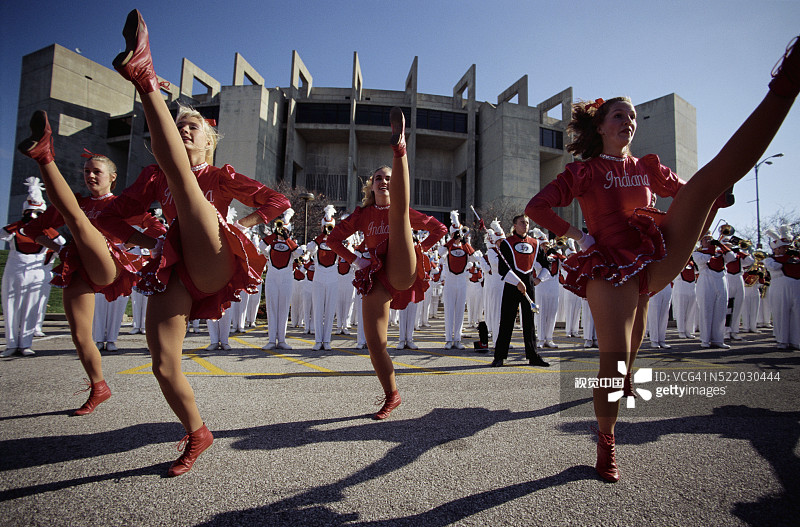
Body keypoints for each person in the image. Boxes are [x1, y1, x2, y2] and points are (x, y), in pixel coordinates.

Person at [525, 35, 799, 482]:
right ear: (600, 126)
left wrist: (714, 197)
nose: (629, 121)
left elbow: (685, 190)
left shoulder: (647, 166)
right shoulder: (584, 171)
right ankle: (606, 438)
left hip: (652, 256)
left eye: (632, 116)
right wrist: (579, 236)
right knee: (615, 362)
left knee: (708, 182)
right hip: (608, 266)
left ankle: (787, 80)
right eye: (620, 115)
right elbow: (536, 209)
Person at [98, 9, 290, 476]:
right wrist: (151, 234)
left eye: (193, 128)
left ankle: (144, 78)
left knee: (183, 184)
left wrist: (243, 220)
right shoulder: (151, 176)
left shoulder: (219, 174)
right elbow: (114, 215)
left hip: (216, 258)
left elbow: (279, 200)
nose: (186, 131)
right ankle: (197, 431)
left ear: (211, 142)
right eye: (179, 126)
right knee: (163, 364)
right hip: (175, 266)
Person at [17, 122, 165, 407]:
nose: (90, 176)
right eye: (86, 172)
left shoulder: (121, 205)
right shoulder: (79, 202)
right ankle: (98, 386)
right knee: (80, 335)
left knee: (76, 218)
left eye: (97, 171)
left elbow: (156, 229)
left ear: (113, 177)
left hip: (108, 266)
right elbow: (33, 231)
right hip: (77, 267)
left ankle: (44, 157)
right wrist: (59, 246)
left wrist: (143, 247)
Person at [327, 108, 447, 420]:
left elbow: (439, 229)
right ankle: (392, 395)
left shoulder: (403, 209)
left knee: (399, 213)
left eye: (388, 178)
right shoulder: (361, 214)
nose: (382, 181)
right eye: (378, 178)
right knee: (375, 343)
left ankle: (400, 149)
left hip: (403, 268)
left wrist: (421, 249)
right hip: (375, 277)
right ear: (370, 186)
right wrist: (357, 259)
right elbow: (332, 240)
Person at [1, 178, 63, 357]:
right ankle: (11, 344)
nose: (33, 215)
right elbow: (2, 234)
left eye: (37, 212)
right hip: (15, 267)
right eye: (30, 211)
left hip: (36, 269)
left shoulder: (46, 230)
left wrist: (46, 229)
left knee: (32, 306)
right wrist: (19, 224)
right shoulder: (15, 229)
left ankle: (26, 343)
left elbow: (61, 243)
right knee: (11, 306)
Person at [491, 215, 550, 367]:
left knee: (530, 322)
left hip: (529, 285)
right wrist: (517, 282)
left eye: (527, 223)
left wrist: (538, 279)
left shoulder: (535, 243)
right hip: (512, 284)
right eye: (522, 223)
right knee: (507, 320)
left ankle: (533, 356)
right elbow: (503, 269)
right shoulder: (506, 243)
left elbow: (546, 265)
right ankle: (499, 356)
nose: (525, 225)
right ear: (515, 225)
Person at [260, 209, 301, 350]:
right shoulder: (270, 243)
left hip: (286, 277)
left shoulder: (292, 244)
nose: (281, 231)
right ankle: (271, 340)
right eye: (280, 228)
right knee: (272, 308)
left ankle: (282, 339)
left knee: (283, 309)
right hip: (272, 276)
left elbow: (299, 254)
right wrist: (274, 236)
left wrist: (287, 238)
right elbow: (261, 247)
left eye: (284, 229)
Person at [439, 212, 475, 350]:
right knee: (449, 310)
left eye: (458, 234)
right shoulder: (448, 247)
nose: (457, 236)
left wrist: (465, 243)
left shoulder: (465, 247)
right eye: (455, 234)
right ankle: (448, 339)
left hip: (461, 281)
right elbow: (440, 253)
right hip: (450, 280)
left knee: (460, 310)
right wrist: (450, 241)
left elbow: (474, 258)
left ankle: (457, 339)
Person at [693, 234, 735, 349]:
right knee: (706, 310)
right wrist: (712, 249)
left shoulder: (719, 251)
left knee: (721, 310)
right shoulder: (697, 252)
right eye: (705, 239)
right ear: (701, 242)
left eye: (710, 238)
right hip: (706, 280)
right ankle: (705, 339)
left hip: (721, 280)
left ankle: (718, 339)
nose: (708, 240)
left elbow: (731, 258)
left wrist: (721, 245)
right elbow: (703, 260)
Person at [308, 206, 340, 351]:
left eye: (330, 227)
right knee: (318, 309)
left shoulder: (337, 242)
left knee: (329, 310)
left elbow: (347, 253)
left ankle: (327, 340)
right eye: (325, 227)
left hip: (333, 277)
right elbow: (309, 249)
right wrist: (321, 238)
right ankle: (317, 340)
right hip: (319, 277)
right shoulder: (317, 242)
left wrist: (335, 238)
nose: (328, 230)